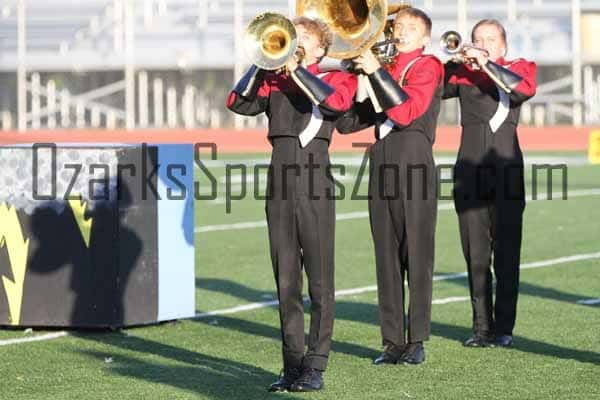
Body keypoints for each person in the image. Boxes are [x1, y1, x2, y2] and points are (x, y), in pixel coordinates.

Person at [227, 16, 357, 392]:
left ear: (320, 49)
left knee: (319, 281)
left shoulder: (334, 76)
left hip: (315, 176)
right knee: (286, 280)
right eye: (291, 38)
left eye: (303, 40)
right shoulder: (274, 78)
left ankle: (316, 364)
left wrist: (297, 68)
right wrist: (261, 60)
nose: (294, 44)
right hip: (279, 175)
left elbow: (335, 103)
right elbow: (237, 102)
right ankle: (292, 364)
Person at [336, 7, 443, 365]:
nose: (401, 32)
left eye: (411, 28)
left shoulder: (428, 66)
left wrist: (376, 71)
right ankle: (392, 340)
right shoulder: (385, 70)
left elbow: (406, 112)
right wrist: (352, 80)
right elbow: (348, 125)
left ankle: (418, 340)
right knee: (386, 254)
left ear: (425, 37)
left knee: (417, 254)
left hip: (414, 159)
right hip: (381, 160)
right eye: (398, 27)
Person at [442, 19, 537, 348]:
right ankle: (481, 328)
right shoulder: (464, 73)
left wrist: (487, 64)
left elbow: (524, 89)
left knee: (507, 253)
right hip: (469, 171)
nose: (482, 43)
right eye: (477, 39)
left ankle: (504, 327)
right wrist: (450, 62)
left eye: (490, 39)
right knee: (475, 254)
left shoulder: (520, 66)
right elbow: (432, 92)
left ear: (503, 45)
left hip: (507, 172)